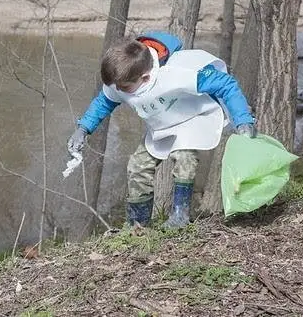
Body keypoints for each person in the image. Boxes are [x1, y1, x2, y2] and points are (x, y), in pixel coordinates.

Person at [66, 30, 256, 229]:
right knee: (137, 166)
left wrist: (242, 119)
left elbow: (225, 84)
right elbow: (103, 102)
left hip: (192, 120)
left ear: (146, 78)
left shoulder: (177, 73)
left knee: (185, 159)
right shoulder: (122, 79)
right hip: (161, 126)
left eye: (124, 88)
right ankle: (137, 225)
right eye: (117, 87)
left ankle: (179, 216)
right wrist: (83, 129)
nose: (119, 91)